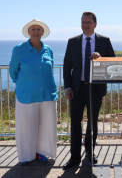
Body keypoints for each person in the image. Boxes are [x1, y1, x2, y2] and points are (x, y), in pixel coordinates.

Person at [63, 12, 115, 169]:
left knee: (92, 123)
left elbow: (112, 62)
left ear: (95, 24)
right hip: (77, 88)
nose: (86, 24)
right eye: (83, 22)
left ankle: (90, 153)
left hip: (95, 88)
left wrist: (101, 59)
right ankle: (74, 157)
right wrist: (68, 87)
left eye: (89, 22)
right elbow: (67, 66)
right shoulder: (72, 42)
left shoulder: (104, 41)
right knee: (75, 123)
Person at [9, 19, 58, 165]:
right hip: (26, 94)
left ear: (42, 33)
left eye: (39, 29)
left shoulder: (49, 50)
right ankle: (26, 156)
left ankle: (42, 152)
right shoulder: (19, 49)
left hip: (47, 94)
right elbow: (13, 71)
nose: (36, 32)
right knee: (26, 126)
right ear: (29, 32)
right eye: (33, 29)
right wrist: (23, 84)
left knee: (46, 124)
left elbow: (50, 69)